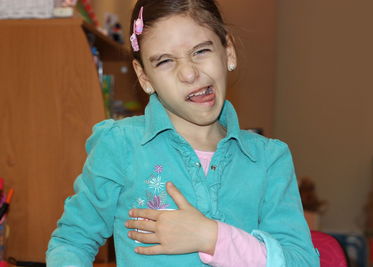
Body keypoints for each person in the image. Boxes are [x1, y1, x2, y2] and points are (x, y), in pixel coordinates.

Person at [47, 0, 320, 266]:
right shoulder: (120, 144)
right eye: (164, 61)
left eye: (201, 51)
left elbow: (302, 261)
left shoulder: (269, 159)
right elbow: (72, 242)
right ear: (144, 77)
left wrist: (210, 236)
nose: (189, 73)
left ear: (228, 52)